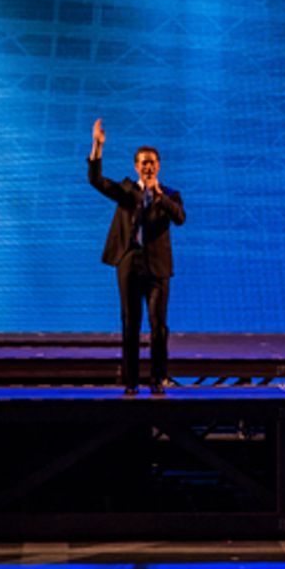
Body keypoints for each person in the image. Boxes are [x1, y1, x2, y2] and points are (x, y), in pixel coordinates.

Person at [88, 118, 186, 395]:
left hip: (158, 269)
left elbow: (180, 218)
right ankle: (130, 381)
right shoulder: (126, 192)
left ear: (159, 166)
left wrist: (158, 195)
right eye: (143, 162)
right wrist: (97, 145)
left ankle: (159, 378)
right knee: (130, 324)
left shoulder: (170, 195)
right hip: (130, 264)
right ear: (136, 167)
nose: (148, 166)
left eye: (152, 162)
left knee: (158, 325)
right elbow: (96, 180)